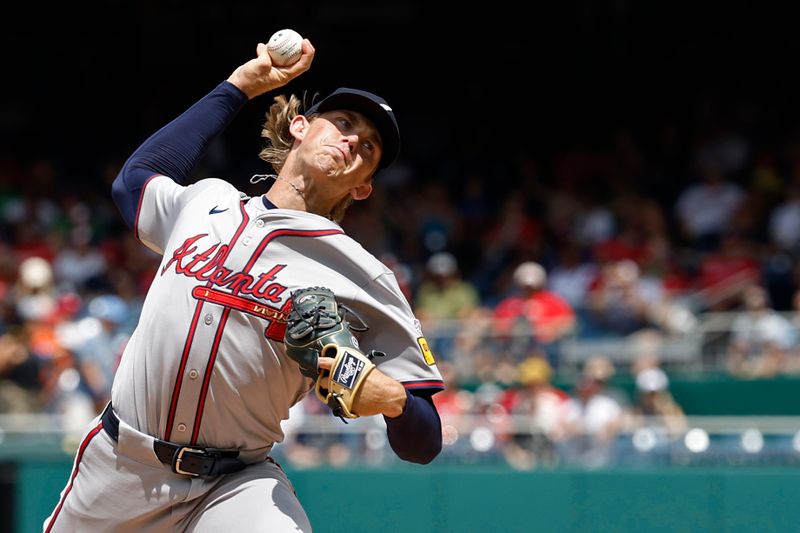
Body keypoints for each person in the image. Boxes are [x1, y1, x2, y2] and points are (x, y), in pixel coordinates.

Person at [44, 37, 444, 532]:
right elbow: (135, 181)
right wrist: (238, 88)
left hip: (234, 484)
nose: (351, 142)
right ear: (300, 127)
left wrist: (395, 400)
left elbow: (424, 442)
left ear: (363, 186)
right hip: (119, 465)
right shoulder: (206, 202)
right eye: (343, 124)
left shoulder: (363, 275)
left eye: (367, 148)